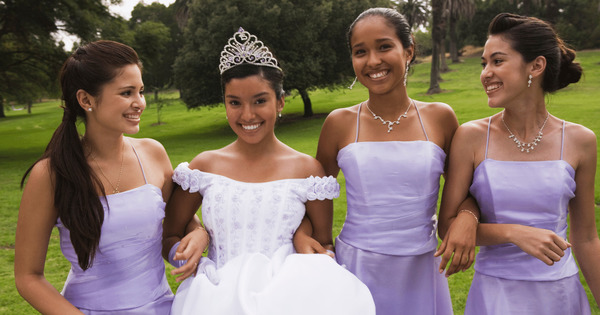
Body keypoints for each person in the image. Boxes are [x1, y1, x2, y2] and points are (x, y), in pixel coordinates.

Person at [162, 27, 375, 315]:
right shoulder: (204, 167)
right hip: (215, 299)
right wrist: (191, 251)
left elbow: (322, 242)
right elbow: (170, 235)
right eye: (234, 102)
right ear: (224, 103)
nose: (247, 115)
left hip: (288, 300)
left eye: (260, 101)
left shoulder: (307, 171)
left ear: (280, 102)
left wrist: (302, 234)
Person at [301, 7, 476, 315]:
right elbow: (313, 197)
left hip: (421, 268)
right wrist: (304, 235)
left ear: (408, 50)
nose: (373, 61)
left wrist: (467, 217)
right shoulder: (338, 123)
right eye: (360, 52)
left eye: (384, 46)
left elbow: (468, 191)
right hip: (357, 267)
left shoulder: (440, 117)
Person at [14, 40, 207, 314]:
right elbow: (28, 277)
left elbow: (181, 224)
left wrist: (200, 235)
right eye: (126, 92)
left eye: (140, 91)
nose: (139, 102)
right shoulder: (50, 174)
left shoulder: (153, 153)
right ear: (85, 99)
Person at [438, 13, 600, 314]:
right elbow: (447, 226)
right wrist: (514, 232)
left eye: (497, 61)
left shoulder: (581, 140)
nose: (486, 73)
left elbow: (587, 237)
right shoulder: (471, 137)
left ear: (536, 66)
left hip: (560, 294)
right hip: (495, 295)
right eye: (484, 63)